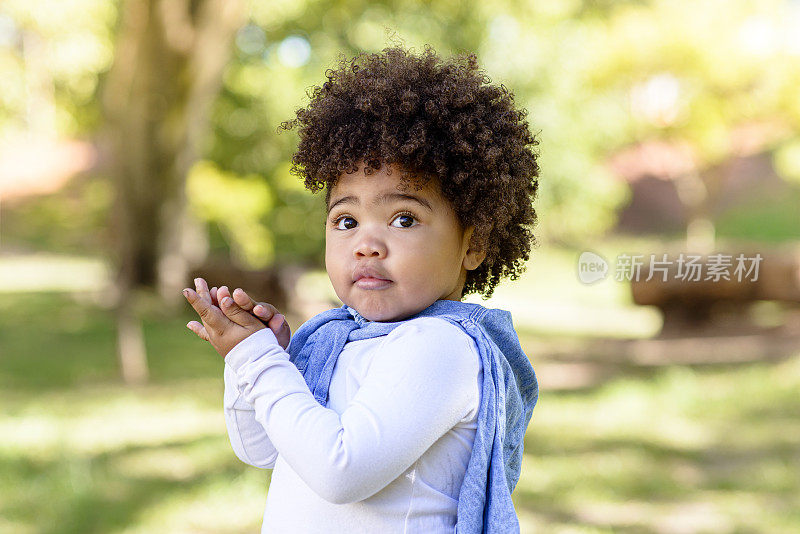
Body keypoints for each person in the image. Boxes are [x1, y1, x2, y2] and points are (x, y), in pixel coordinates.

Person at [183, 43, 540, 533]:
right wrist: (256, 357)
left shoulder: (441, 347)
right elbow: (261, 448)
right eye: (346, 220)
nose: (367, 244)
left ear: (472, 245)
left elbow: (339, 471)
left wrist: (257, 360)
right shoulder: (339, 340)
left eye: (403, 218)